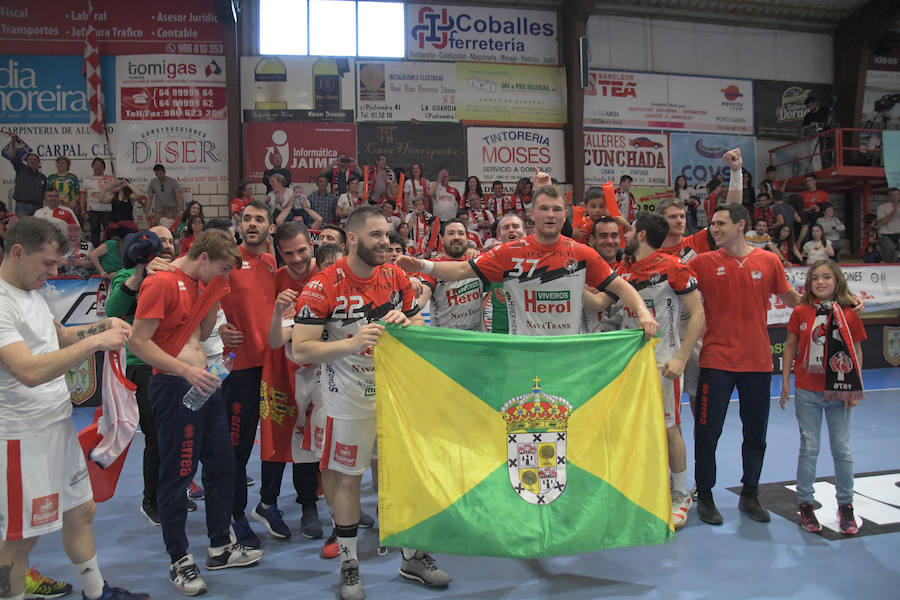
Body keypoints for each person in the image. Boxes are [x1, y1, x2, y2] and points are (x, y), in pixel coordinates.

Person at [293, 206, 450, 600]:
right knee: (348, 480)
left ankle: (412, 556)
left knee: (400, 476)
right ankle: (350, 564)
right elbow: (300, 348)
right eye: (376, 235)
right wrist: (351, 342)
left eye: (387, 235)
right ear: (351, 239)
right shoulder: (322, 284)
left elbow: (417, 324)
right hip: (344, 400)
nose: (385, 241)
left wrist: (405, 323)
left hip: (394, 396)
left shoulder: (396, 276)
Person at [0, 217, 149, 600]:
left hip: (56, 424)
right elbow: (29, 371)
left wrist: (103, 326)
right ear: (17, 253)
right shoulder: (1, 303)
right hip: (20, 437)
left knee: (81, 510)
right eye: (48, 263)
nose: (55, 271)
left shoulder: (31, 292)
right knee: (19, 538)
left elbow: (61, 337)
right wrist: (95, 345)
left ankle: (97, 593)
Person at [129, 230, 263, 595]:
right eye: (220, 269)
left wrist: (215, 302)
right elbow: (138, 342)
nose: (223, 276)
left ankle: (220, 545)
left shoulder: (203, 284)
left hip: (206, 384)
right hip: (173, 386)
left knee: (222, 466)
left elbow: (201, 334)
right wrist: (183, 370)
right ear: (203, 257)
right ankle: (179, 560)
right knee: (178, 472)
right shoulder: (162, 283)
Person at [689, 149, 802, 526]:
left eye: (720, 225)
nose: (714, 230)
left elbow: (795, 302)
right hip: (716, 362)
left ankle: (750, 494)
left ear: (740, 226)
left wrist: (838, 305)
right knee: (708, 434)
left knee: (756, 434)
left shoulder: (768, 261)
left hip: (757, 362)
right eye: (713, 225)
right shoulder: (701, 263)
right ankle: (704, 495)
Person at [397, 183, 659, 339]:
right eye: (544, 208)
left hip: (567, 353)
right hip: (523, 352)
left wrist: (644, 313)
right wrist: (422, 265)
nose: (551, 214)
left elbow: (621, 288)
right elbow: (463, 269)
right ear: (532, 213)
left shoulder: (580, 252)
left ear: (564, 214)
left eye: (557, 209)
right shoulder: (510, 252)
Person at [608, 212, 705, 529]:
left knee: (669, 427)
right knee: (631, 427)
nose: (626, 234)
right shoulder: (624, 269)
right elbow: (598, 304)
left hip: (663, 362)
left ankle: (680, 494)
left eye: (631, 229)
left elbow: (698, 314)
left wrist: (681, 359)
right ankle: (644, 487)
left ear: (643, 234)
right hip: (629, 365)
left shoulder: (673, 267)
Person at [780, 259, 865, 536]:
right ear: (808, 284)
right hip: (807, 391)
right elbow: (791, 346)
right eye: (815, 278)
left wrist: (855, 387)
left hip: (839, 392)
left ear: (837, 281)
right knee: (809, 447)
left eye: (826, 277)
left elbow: (856, 351)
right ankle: (805, 503)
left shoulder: (848, 314)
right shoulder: (801, 311)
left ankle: (846, 505)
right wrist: (784, 383)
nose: (820, 282)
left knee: (842, 449)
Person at [253, 222, 323, 543]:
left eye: (302, 251)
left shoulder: (327, 273)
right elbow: (272, 336)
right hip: (282, 369)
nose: (296, 259)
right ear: (279, 252)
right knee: (277, 435)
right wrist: (279, 309)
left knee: (310, 440)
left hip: (321, 370)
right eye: (289, 253)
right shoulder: (275, 280)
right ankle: (267, 502)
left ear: (311, 244)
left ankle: (308, 504)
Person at [104, 227, 178, 527]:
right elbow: (112, 311)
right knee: (157, 436)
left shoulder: (176, 274)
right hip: (143, 363)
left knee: (175, 435)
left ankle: (171, 490)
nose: (168, 246)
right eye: (161, 242)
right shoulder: (127, 276)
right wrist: (141, 272)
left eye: (171, 241)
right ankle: (152, 499)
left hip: (174, 361)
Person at [217, 201, 277, 548]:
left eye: (260, 219)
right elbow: (202, 302)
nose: (252, 224)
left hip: (270, 368)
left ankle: (264, 506)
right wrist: (218, 330)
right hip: (237, 368)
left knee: (272, 442)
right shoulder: (227, 261)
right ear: (239, 225)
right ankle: (233, 516)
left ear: (269, 227)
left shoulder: (271, 263)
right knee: (236, 449)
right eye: (247, 219)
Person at [417, 220, 486, 331]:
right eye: (451, 233)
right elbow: (422, 298)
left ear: (466, 238)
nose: (456, 237)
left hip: (477, 339)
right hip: (446, 341)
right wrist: (407, 311)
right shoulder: (432, 266)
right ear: (442, 239)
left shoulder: (479, 261)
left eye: (461, 233)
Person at [3, 136, 46, 217]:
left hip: (38, 207)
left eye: (35, 160)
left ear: (38, 163)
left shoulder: (43, 177)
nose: (33, 161)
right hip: (22, 206)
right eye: (30, 159)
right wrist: (13, 142)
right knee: (23, 228)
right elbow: (12, 155)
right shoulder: (20, 168)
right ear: (27, 161)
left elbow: (45, 194)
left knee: (35, 228)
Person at [81, 158, 116, 247]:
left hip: (107, 210)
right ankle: (95, 251)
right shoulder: (86, 179)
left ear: (104, 168)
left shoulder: (110, 179)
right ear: (92, 166)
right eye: (96, 164)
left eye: (100, 165)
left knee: (108, 232)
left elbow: (115, 193)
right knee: (94, 232)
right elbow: (83, 196)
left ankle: (109, 251)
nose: (98, 167)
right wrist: (83, 210)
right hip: (92, 210)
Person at [875, 187, 900, 262]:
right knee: (889, 256)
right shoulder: (882, 207)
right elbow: (883, 221)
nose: (895, 196)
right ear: (888, 196)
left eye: (897, 194)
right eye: (892, 195)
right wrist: (894, 209)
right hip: (887, 235)